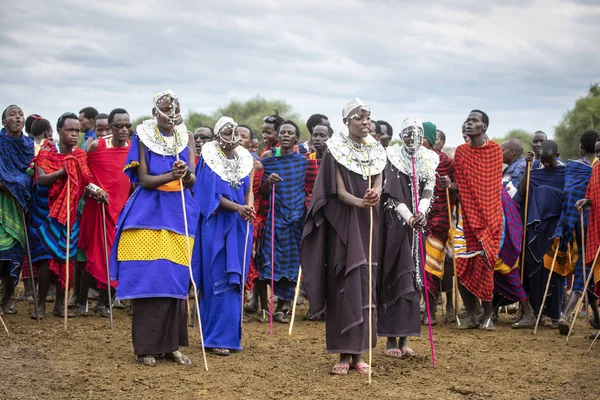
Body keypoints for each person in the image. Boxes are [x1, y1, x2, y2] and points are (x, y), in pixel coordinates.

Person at [110, 90, 198, 366]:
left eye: (175, 108)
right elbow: (144, 180)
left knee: (175, 279)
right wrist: (171, 174)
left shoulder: (188, 137)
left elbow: (193, 179)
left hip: (179, 212)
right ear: (154, 113)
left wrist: (185, 174)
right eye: (165, 108)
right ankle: (146, 347)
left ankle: (171, 346)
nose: (170, 113)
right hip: (147, 213)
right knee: (149, 278)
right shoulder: (142, 136)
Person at [301, 98, 386, 375]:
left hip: (369, 223)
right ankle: (342, 353)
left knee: (365, 283)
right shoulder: (334, 150)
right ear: (347, 121)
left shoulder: (376, 148)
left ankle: (360, 353)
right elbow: (337, 191)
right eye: (359, 118)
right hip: (344, 223)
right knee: (345, 283)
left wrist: (374, 194)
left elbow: (378, 180)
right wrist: (360, 201)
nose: (365, 123)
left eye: (368, 118)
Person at [29, 112, 106, 319]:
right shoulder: (46, 152)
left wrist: (96, 191)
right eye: (70, 130)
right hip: (46, 213)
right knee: (47, 259)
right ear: (59, 130)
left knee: (67, 259)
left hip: (70, 213)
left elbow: (85, 179)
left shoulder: (79, 155)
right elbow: (42, 180)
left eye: (77, 131)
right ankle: (41, 305)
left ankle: (60, 306)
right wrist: (65, 171)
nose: (74, 134)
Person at [192, 116, 254, 355]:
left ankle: (230, 336)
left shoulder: (244, 160)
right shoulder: (208, 162)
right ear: (218, 137)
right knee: (217, 276)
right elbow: (208, 198)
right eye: (228, 133)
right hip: (215, 225)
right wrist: (238, 208)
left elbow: (248, 189)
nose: (234, 137)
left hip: (239, 226)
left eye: (236, 132)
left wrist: (247, 207)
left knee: (234, 279)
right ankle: (214, 338)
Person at [379, 117, 438, 358]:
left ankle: (405, 338)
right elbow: (391, 193)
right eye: (407, 134)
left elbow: (429, 188)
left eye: (416, 134)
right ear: (401, 136)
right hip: (396, 226)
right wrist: (409, 216)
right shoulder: (392, 158)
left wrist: (421, 214)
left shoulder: (428, 159)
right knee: (396, 275)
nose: (411, 138)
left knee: (414, 281)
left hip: (418, 228)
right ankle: (391, 340)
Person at [77, 109, 132, 317]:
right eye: (119, 126)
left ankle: (104, 302)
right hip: (98, 207)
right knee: (93, 256)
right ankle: (82, 301)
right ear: (110, 126)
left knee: (115, 256)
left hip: (122, 210)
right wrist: (95, 190)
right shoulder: (95, 146)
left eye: (127, 126)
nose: (124, 130)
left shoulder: (133, 149)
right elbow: (84, 176)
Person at [453, 110, 503, 330]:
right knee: (462, 262)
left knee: (486, 265)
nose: (468, 124)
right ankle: (471, 315)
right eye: (467, 121)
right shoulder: (461, 152)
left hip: (489, 218)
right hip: (465, 217)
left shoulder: (495, 151)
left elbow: (489, 187)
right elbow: (460, 186)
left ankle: (488, 316)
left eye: (474, 121)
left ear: (484, 127)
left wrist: (486, 218)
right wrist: (447, 184)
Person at [257, 120, 308, 322]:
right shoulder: (268, 159)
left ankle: (283, 306)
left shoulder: (302, 162)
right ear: (278, 137)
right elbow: (261, 191)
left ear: (296, 138)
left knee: (292, 262)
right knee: (269, 258)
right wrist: (268, 182)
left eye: (290, 133)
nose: (286, 135)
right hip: (274, 217)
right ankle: (265, 306)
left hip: (295, 218)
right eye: (283, 132)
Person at [515, 140, 566, 328]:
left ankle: (554, 314)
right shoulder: (535, 171)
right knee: (534, 269)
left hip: (556, 229)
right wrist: (528, 169)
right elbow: (521, 194)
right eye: (542, 160)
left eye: (548, 161)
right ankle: (535, 311)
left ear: (557, 156)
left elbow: (568, 201)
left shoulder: (565, 173)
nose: (544, 164)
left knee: (554, 271)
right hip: (536, 230)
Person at [557, 130, 600, 334]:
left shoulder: (573, 167)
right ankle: (568, 315)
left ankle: (572, 315)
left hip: (577, 224)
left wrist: (565, 228)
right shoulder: (597, 169)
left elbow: (568, 197)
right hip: (594, 225)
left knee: (584, 270)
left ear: (581, 147)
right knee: (588, 270)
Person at [422, 121, 457, 324]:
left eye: (435, 139)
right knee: (422, 265)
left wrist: (449, 184)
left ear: (442, 143)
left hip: (441, 220)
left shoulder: (446, 162)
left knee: (436, 265)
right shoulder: (416, 159)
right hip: (420, 219)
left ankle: (436, 309)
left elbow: (457, 187)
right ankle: (427, 308)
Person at [0, 105, 34, 314]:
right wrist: (14, 182)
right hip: (0, 204)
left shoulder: (29, 146)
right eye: (12, 114)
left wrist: (16, 182)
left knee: (14, 252)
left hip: (19, 205)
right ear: (4, 122)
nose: (18, 117)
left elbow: (31, 173)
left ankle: (6, 299)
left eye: (20, 114)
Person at [576, 136, 600, 338]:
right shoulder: (598, 169)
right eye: (597, 151)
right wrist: (588, 201)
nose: (599, 156)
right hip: (597, 232)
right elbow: (595, 195)